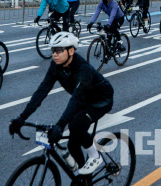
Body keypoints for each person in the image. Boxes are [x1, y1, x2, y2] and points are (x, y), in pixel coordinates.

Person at [9, 32, 114, 175]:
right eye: (53, 50)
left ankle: (95, 156)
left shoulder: (83, 69)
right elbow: (41, 91)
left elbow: (76, 98)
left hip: (101, 100)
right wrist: (22, 118)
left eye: (59, 50)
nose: (54, 54)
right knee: (72, 144)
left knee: (76, 125)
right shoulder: (56, 66)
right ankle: (85, 180)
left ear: (71, 51)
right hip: (83, 98)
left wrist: (60, 125)